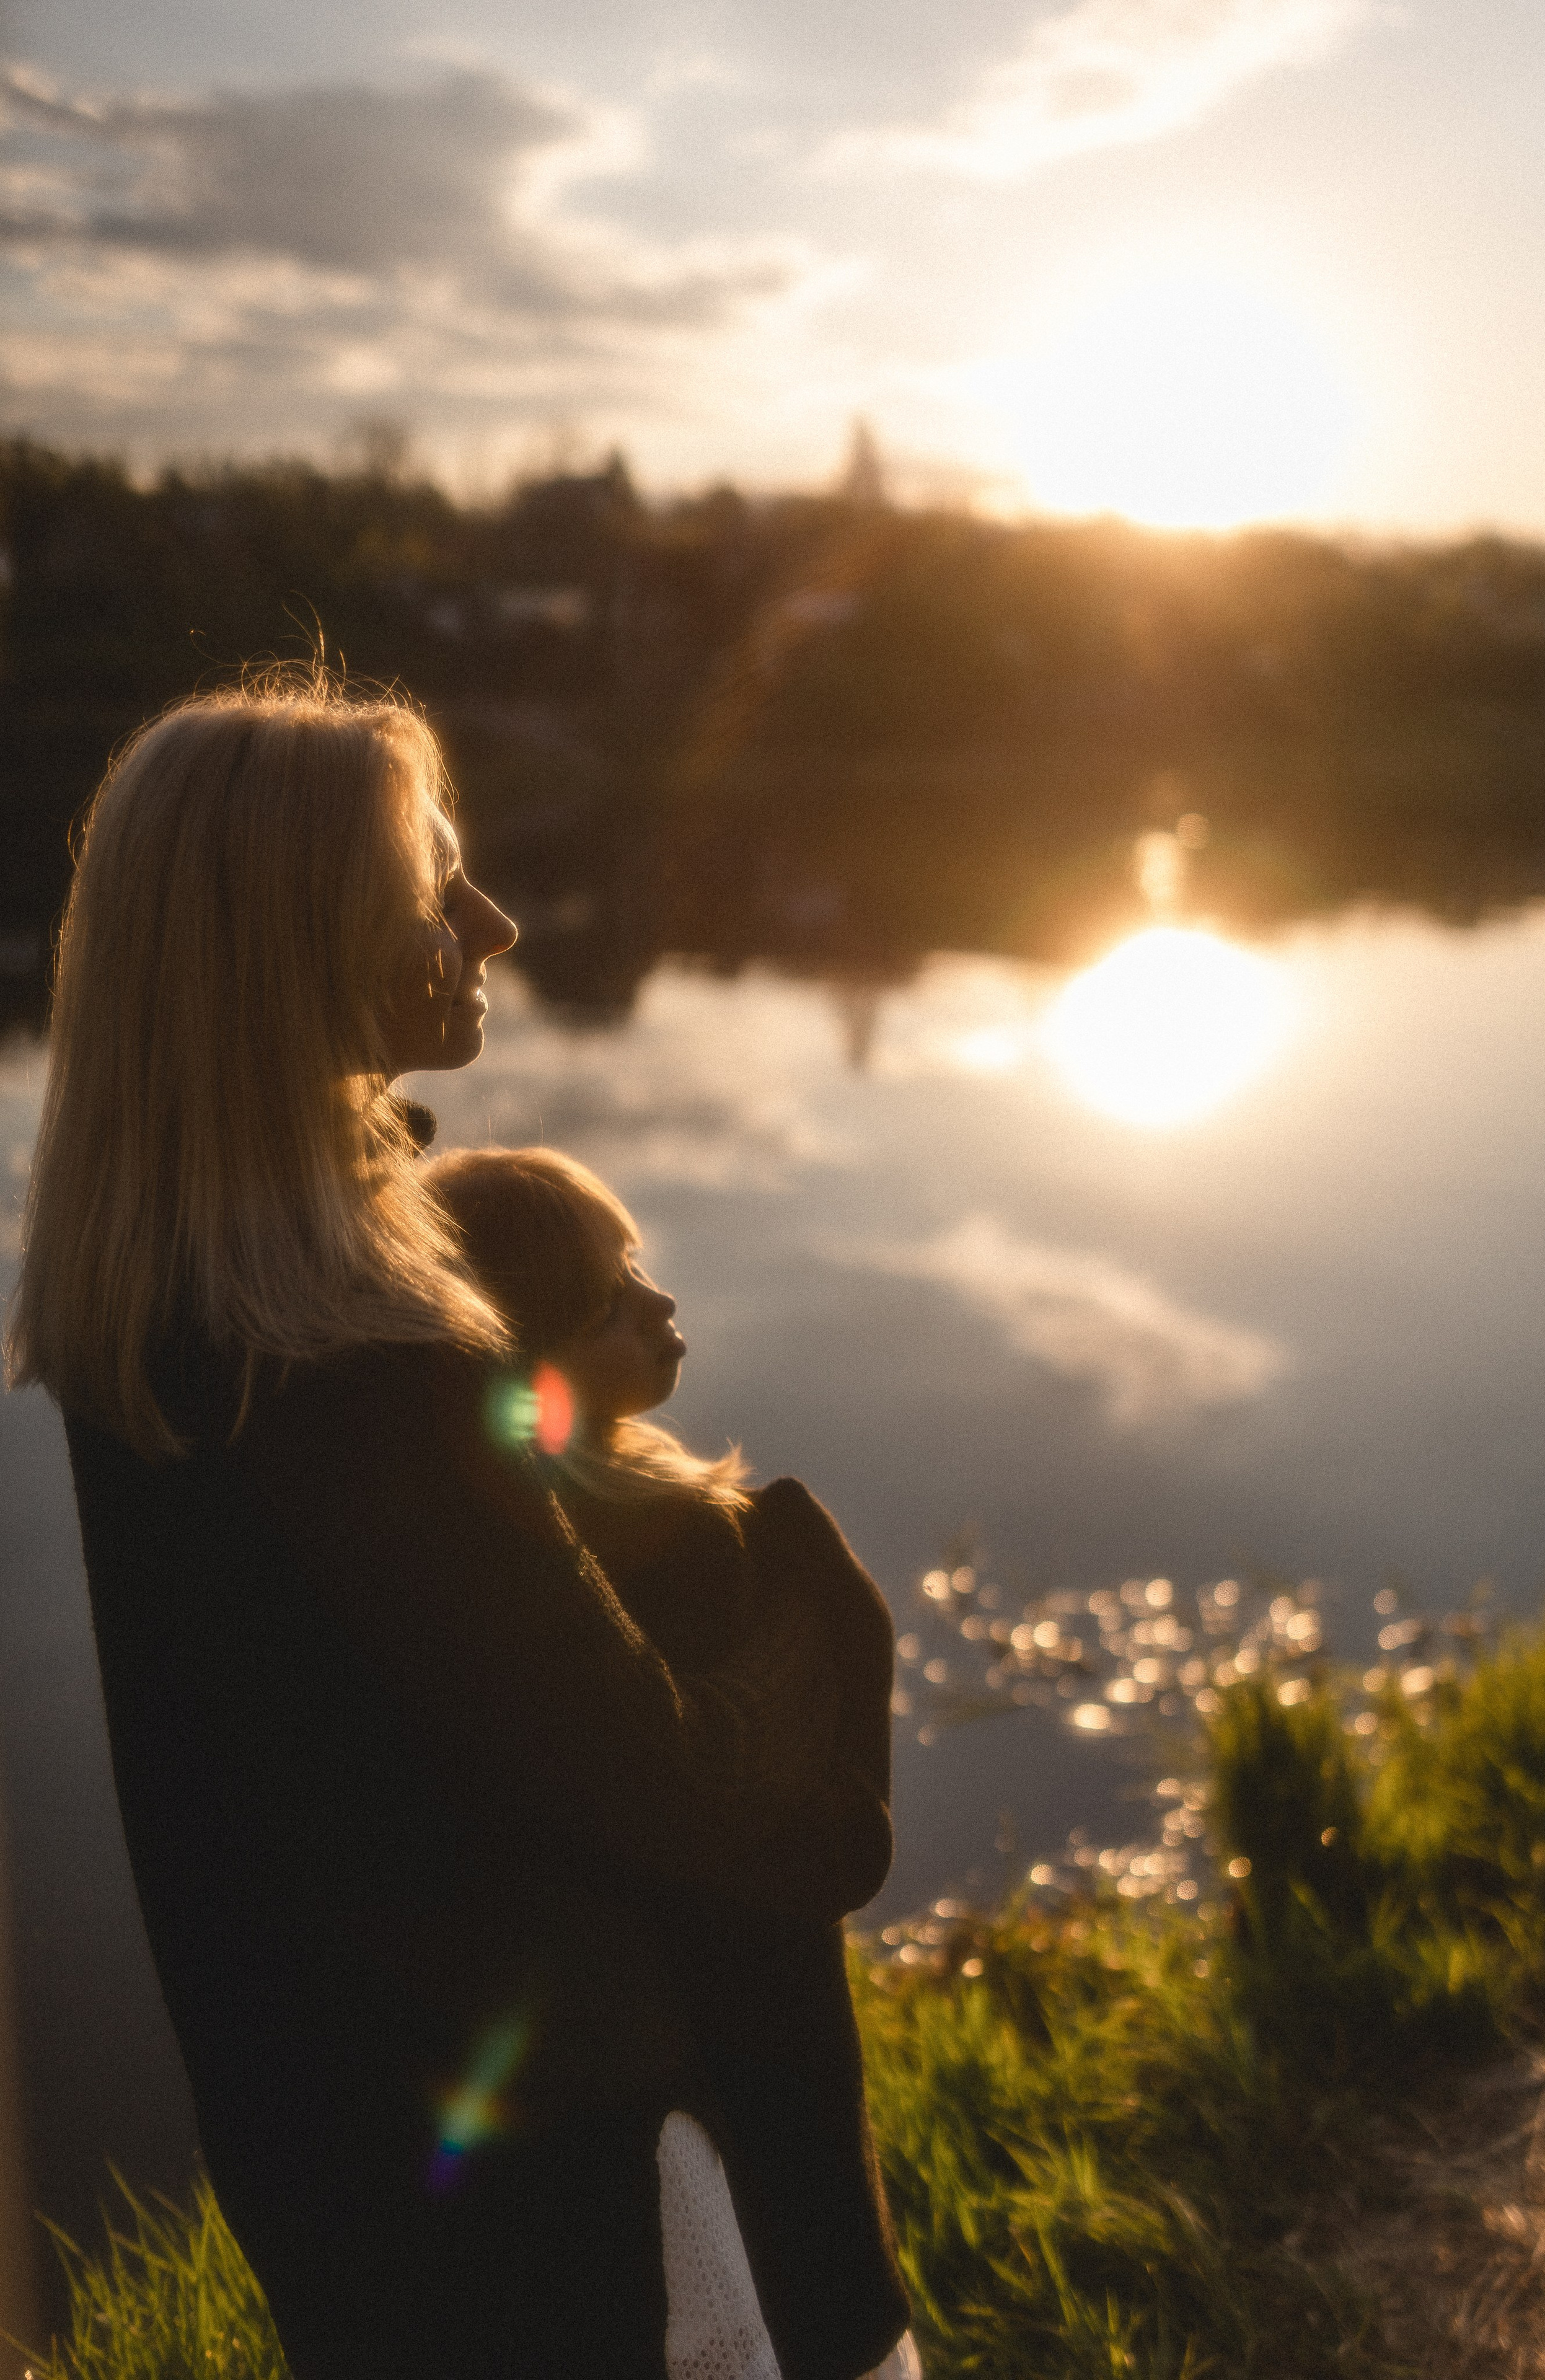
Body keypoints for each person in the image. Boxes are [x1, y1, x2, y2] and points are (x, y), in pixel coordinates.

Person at [5, 674, 913, 2380]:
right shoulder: (358, 1379)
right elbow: (685, 1789)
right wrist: (797, 1579)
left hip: (336, 2128)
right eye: (434, 888)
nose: (492, 921)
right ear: (297, 949)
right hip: (564, 2165)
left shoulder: (167, 1324)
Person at [425, 1145, 920, 2380]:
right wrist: (810, 1576)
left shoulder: (497, 1553)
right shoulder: (695, 1557)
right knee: (783, 2311)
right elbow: (824, 1831)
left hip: (627, 2062)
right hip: (728, 2050)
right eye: (607, 1304)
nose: (659, 1305)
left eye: (637, 1268)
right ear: (528, 1363)